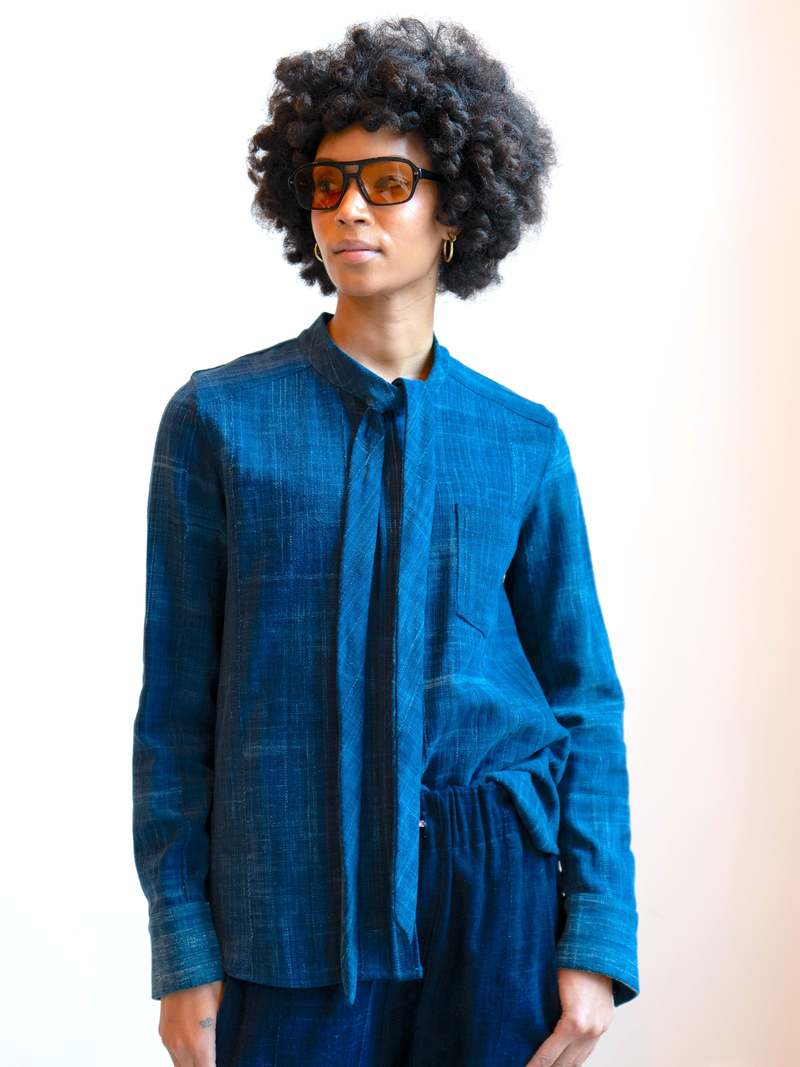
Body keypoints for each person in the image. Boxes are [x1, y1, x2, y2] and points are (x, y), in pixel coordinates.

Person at [132, 16, 640, 1067]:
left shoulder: (521, 439)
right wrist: (182, 948)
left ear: (453, 209)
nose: (349, 207)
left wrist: (593, 936)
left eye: (387, 182)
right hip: (287, 905)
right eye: (327, 184)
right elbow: (176, 710)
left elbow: (582, 695)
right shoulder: (219, 419)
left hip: (494, 904)